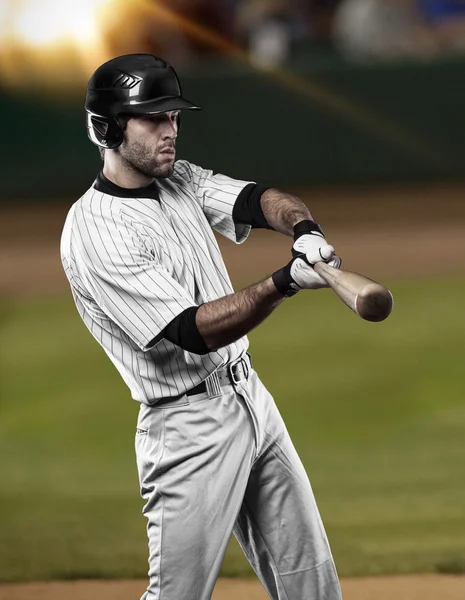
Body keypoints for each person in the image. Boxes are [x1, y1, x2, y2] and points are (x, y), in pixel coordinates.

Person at [60, 53, 343, 600]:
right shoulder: (97, 231)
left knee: (311, 584)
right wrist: (284, 281)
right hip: (187, 431)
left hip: (250, 398)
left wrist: (304, 229)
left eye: (174, 117)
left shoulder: (180, 180)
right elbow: (194, 331)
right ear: (107, 127)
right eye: (153, 119)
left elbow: (257, 199)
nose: (170, 131)